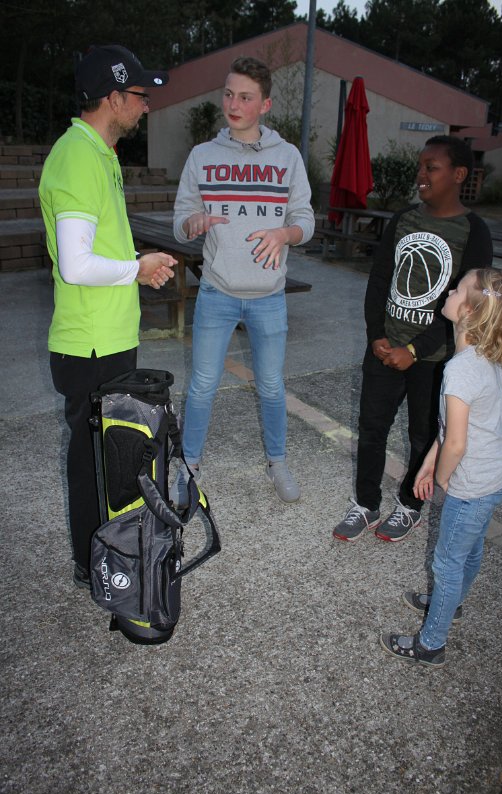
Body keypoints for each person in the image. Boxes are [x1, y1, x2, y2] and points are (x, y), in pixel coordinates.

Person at [39, 45, 176, 588]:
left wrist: (136, 266)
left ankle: (106, 557)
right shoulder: (77, 156)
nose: (146, 105)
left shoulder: (100, 153)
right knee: (95, 461)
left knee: (112, 456)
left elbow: (97, 250)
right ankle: (93, 563)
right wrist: (136, 269)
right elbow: (76, 265)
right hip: (91, 344)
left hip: (107, 337)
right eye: (140, 95)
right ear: (113, 97)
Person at [333, 135, 493, 543]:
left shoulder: (474, 231)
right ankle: (366, 503)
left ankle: (410, 505)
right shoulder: (403, 220)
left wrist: (415, 350)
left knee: (423, 434)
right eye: (421, 166)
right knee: (372, 427)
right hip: (385, 348)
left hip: (433, 358)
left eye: (431, 167)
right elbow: (380, 280)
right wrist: (376, 336)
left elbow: (469, 304)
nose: (421, 174)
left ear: (458, 174)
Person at [170, 56, 315, 504]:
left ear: (265, 104)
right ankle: (189, 466)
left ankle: (277, 461)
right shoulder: (202, 156)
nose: (233, 105)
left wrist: (285, 234)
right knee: (201, 385)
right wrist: (193, 223)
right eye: (229, 94)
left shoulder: (287, 157)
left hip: (269, 296)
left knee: (271, 385)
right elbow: (180, 222)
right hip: (216, 291)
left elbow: (306, 220)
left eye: (245, 97)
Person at [380, 268, 502, 668]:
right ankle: (451, 602)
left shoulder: (459, 371)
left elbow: (457, 443)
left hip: (473, 484)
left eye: (458, 290)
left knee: (447, 562)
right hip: (496, 477)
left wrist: (444, 480)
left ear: (469, 313)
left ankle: (431, 644)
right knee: (470, 548)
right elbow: (451, 430)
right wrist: (429, 463)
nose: (449, 291)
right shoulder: (481, 358)